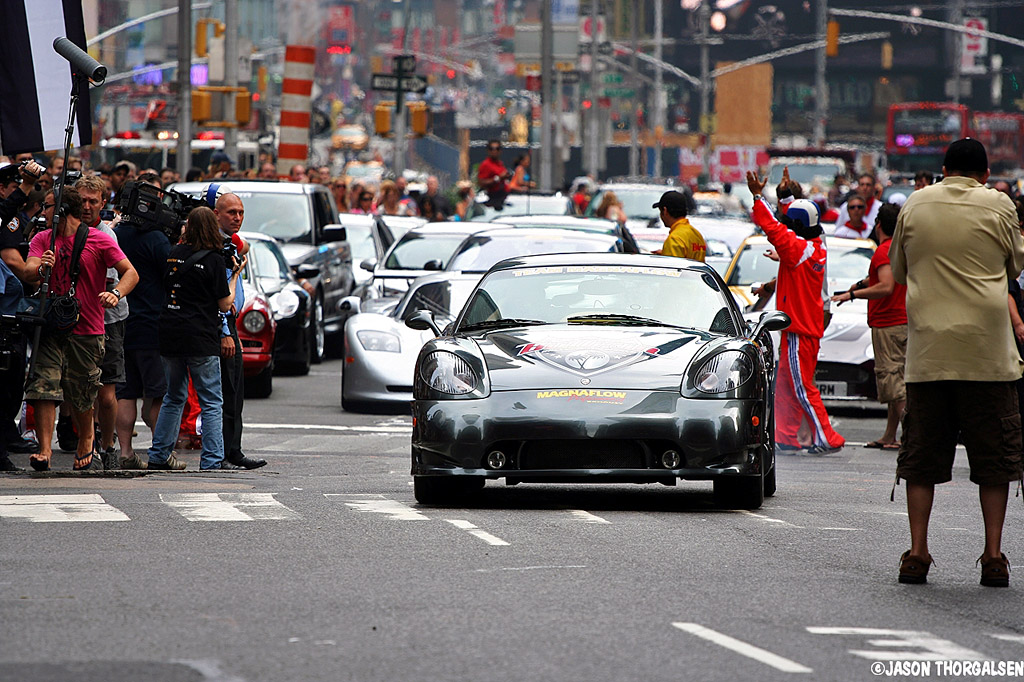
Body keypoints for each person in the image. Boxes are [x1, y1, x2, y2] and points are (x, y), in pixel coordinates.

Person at [888, 138, 1023, 587]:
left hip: (930, 354)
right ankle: (993, 554)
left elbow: (900, 272)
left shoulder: (914, 204)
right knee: (995, 461)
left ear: (944, 169)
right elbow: (1016, 265)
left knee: (921, 458)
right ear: (984, 173)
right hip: (987, 354)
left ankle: (918, 552)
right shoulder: (999, 205)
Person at [24, 187, 139, 471]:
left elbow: (131, 273)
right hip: (51, 325)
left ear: (62, 210)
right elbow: (28, 271)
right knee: (44, 385)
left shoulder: (98, 240)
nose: (44, 212)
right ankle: (45, 450)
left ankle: (87, 439)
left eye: (48, 207)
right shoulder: (42, 238)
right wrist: (41, 269)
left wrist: (116, 294)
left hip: (87, 326)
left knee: (83, 390)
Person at [746, 171, 846, 456]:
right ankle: (786, 436)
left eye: (791, 224)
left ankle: (827, 437)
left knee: (802, 388)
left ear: (798, 228)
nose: (785, 227)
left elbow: (772, 227)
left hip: (799, 330)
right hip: (805, 328)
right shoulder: (816, 246)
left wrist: (756, 196)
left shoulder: (797, 249)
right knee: (788, 385)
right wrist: (785, 195)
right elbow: (787, 226)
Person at [146, 207, 243, 471]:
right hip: (200, 335)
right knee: (211, 399)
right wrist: (234, 276)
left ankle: (158, 454)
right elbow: (225, 304)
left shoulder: (173, 254)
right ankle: (212, 460)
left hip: (169, 331)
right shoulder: (213, 260)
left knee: (173, 395)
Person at [831, 203, 906, 450]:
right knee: (895, 380)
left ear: (878, 225)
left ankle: (913, 438)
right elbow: (886, 276)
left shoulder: (884, 250)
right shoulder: (899, 249)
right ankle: (889, 435)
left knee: (893, 382)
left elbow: (886, 286)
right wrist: (860, 283)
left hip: (889, 325)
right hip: (900, 323)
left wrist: (853, 295)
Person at [113, 186, 173, 470]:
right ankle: (160, 452)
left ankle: (124, 452)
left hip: (122, 322)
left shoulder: (116, 235)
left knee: (125, 393)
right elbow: (172, 277)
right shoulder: (158, 239)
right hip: (152, 326)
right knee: (156, 394)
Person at [75, 176, 130, 470]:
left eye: (92, 201)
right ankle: (87, 440)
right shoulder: (65, 231)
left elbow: (122, 274)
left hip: (108, 320)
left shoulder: (106, 235)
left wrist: (113, 293)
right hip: (78, 320)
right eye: (81, 200)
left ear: (103, 204)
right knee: (80, 388)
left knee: (106, 393)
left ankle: (107, 444)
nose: (86, 206)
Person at [213, 193, 266, 469]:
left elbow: (245, 248)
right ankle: (222, 453)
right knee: (225, 391)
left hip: (230, 323)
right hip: (220, 323)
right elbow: (217, 294)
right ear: (216, 214)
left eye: (241, 212)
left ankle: (233, 449)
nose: (237, 217)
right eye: (231, 212)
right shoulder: (214, 245)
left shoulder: (231, 243)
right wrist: (224, 332)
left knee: (236, 390)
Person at [654, 191, 705, 262]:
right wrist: (665, 253)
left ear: (665, 211)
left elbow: (673, 269)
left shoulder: (674, 239)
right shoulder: (696, 235)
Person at [476, 139, 512, 207]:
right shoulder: (486, 164)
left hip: (503, 196)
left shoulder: (500, 163)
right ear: (488, 151)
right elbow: (481, 183)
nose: (494, 151)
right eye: (491, 149)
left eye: (497, 149)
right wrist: (498, 178)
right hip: (493, 198)